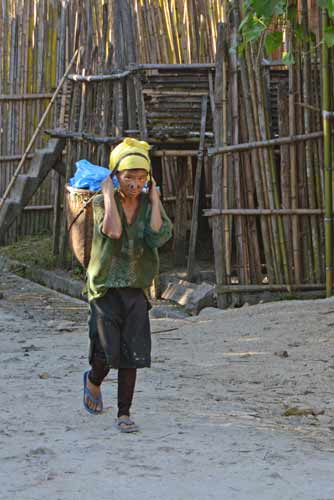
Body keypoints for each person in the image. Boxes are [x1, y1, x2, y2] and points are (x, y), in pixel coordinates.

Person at [83, 137, 173, 433]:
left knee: (132, 352)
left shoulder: (149, 205)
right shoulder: (100, 202)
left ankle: (124, 413)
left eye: (141, 177)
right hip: (105, 286)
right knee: (108, 352)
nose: (135, 183)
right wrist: (109, 195)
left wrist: (156, 200)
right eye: (128, 177)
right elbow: (114, 230)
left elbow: (157, 237)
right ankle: (94, 380)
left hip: (136, 286)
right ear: (115, 177)